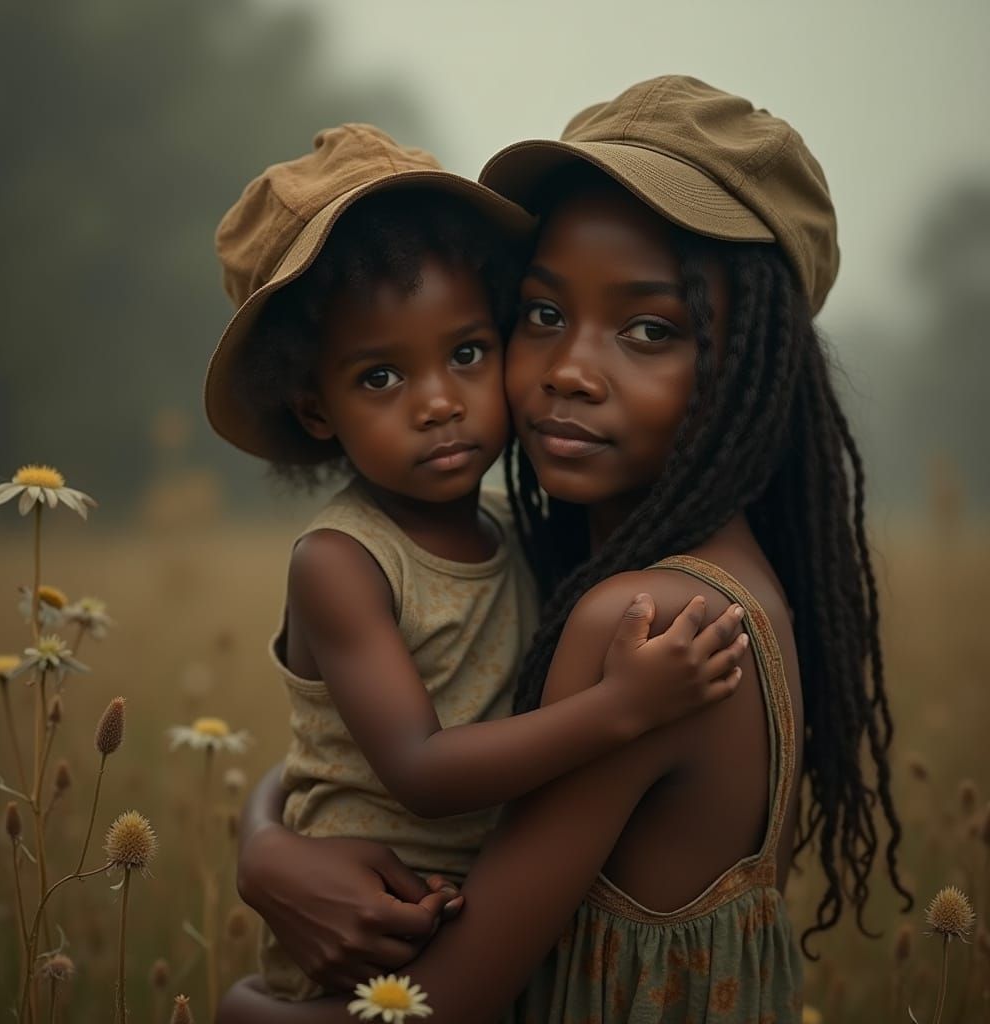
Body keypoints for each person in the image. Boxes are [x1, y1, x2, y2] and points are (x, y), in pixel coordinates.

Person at [220, 77, 911, 1023]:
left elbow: (437, 1009)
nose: (572, 370)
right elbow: (366, 752)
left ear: (751, 364)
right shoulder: (648, 581)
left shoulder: (652, 624)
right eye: (543, 315)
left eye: (650, 330)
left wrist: (242, 1009)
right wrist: (266, 848)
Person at [205, 122, 749, 1002]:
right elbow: (419, 771)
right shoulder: (342, 562)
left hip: (475, 940)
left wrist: (261, 838)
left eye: (466, 353)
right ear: (313, 408)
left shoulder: (515, 530)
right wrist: (622, 707)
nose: (438, 404)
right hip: (367, 946)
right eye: (381, 377)